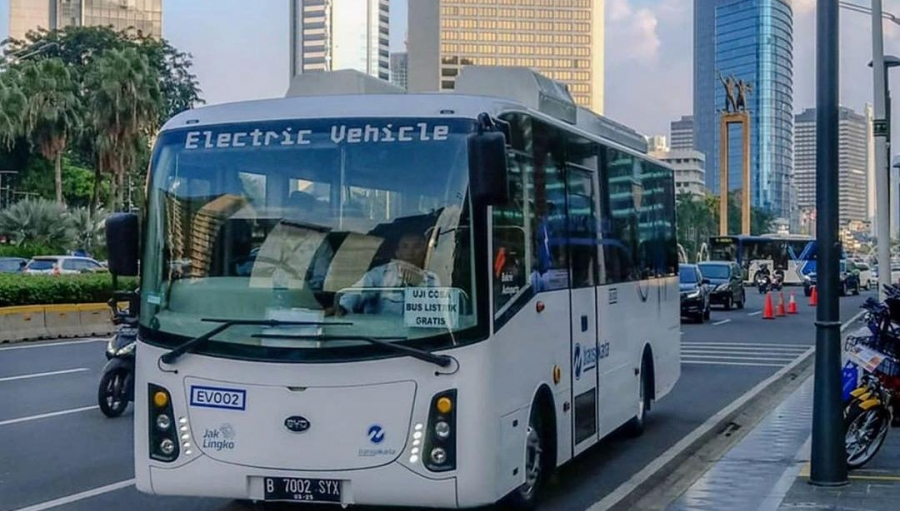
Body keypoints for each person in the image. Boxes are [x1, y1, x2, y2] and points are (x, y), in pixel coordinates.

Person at [336, 232, 439, 316]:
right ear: (397, 252)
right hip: (381, 337)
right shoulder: (380, 274)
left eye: (417, 247)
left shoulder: (432, 279)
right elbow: (357, 292)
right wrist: (342, 307)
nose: (410, 252)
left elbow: (439, 314)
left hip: (422, 339)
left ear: (426, 252)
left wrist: (420, 286)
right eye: (405, 246)